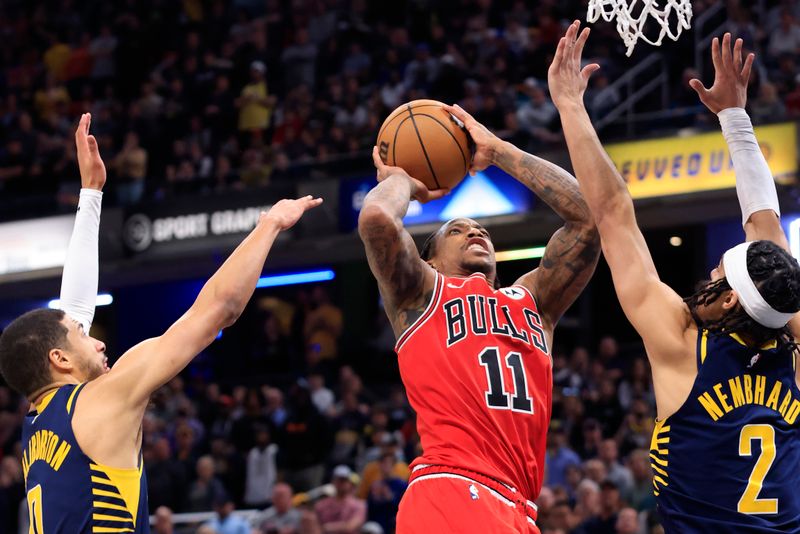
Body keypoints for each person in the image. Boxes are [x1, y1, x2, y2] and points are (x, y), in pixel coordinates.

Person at [0, 113, 322, 533]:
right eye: (84, 334)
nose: (97, 341)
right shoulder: (103, 399)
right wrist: (269, 225)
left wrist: (91, 193)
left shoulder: (35, 422)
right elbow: (218, 310)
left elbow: (71, 311)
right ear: (59, 358)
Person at [549, 23, 800, 532]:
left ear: (730, 301)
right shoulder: (793, 352)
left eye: (717, 273)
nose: (709, 273)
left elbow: (615, 212)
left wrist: (571, 105)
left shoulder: (683, 345)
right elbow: (766, 227)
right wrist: (734, 117)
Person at [358, 94, 600, 531]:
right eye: (457, 229)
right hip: (452, 488)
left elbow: (589, 219)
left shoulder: (533, 301)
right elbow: (377, 219)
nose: (475, 231)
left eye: (481, 229)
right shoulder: (422, 292)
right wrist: (400, 181)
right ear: (428, 260)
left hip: (518, 504)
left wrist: (500, 152)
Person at [314, 465, 366, 534]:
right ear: (333, 481)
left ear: (350, 483)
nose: (342, 483)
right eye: (339, 480)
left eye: (344, 480)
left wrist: (328, 527)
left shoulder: (359, 505)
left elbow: (351, 526)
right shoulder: (321, 505)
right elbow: (315, 527)